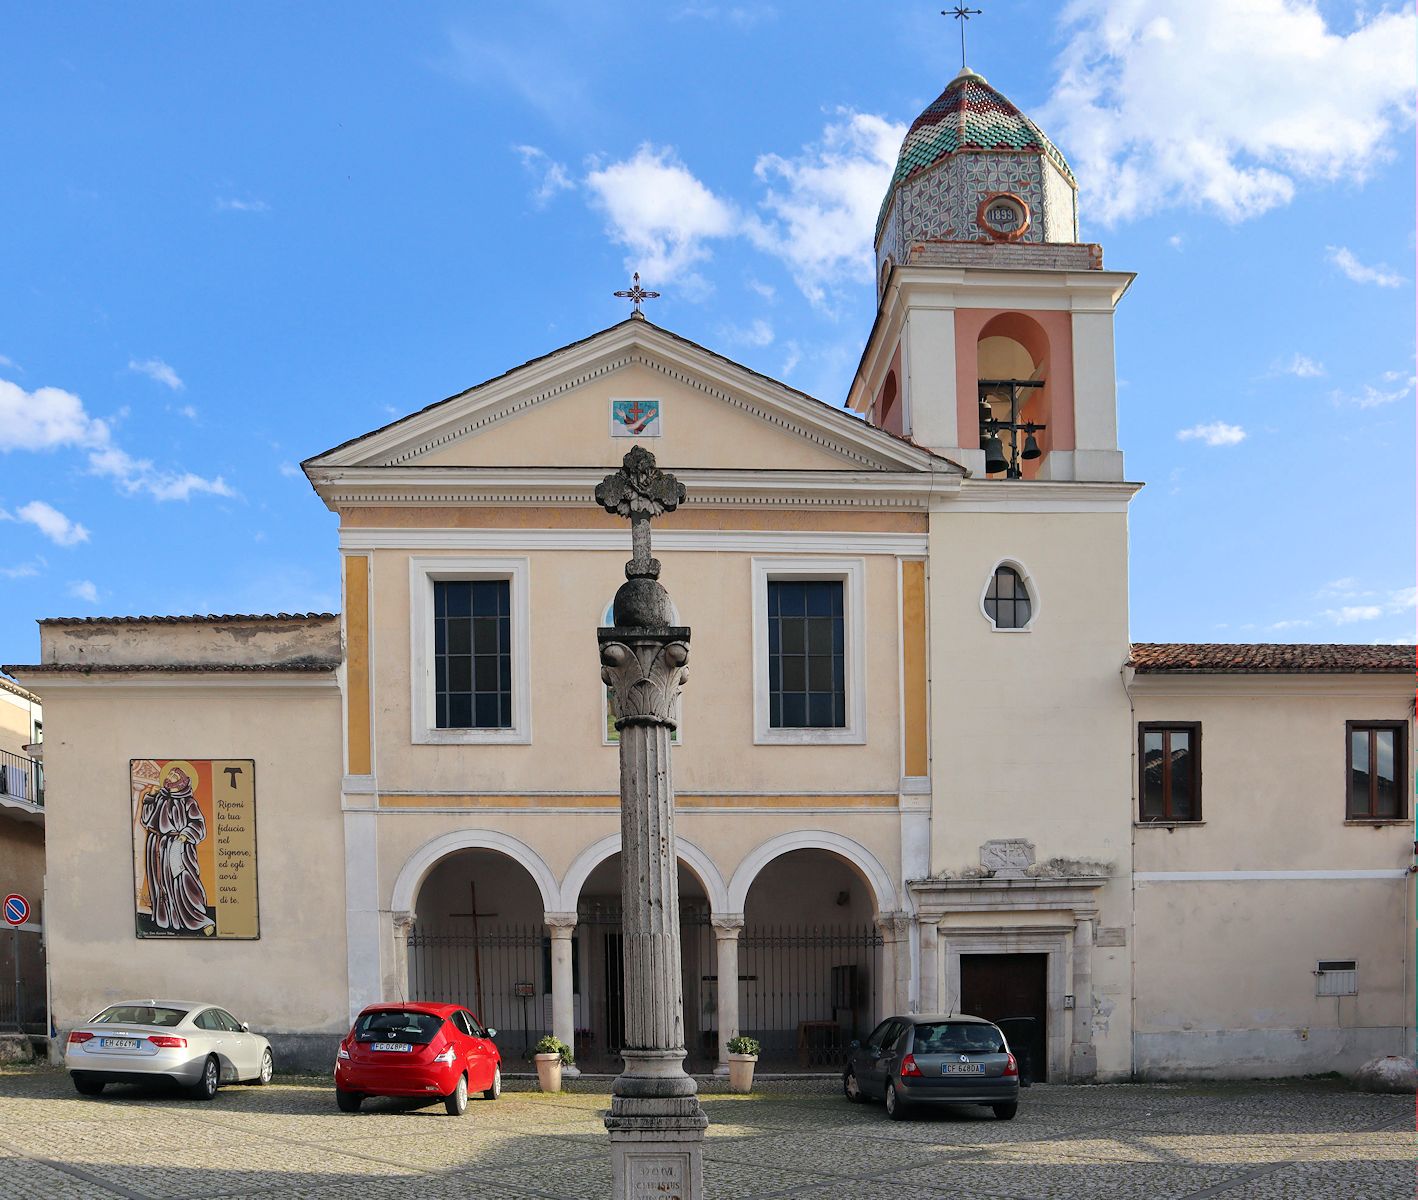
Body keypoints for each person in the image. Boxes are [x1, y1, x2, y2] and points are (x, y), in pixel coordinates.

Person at [138, 766, 216, 935]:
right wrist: (150, 797)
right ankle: (167, 919)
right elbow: (146, 820)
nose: (170, 776)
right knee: (160, 882)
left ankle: (198, 920)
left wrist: (184, 836)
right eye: (170, 773)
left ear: (182, 781)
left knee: (184, 882)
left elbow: (198, 825)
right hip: (156, 844)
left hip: (178, 846)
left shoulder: (188, 801)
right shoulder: (160, 797)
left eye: (174, 774)